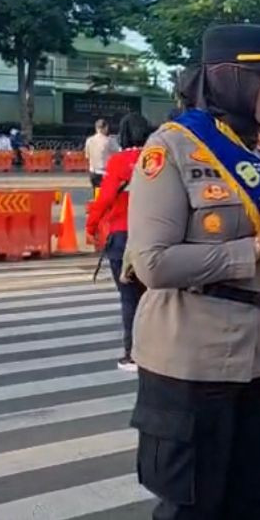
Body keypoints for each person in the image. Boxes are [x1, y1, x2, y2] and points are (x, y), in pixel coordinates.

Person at [126, 24, 260, 520]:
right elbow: (152, 262)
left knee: (253, 506)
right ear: (225, 78)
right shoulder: (170, 149)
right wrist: (254, 249)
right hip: (190, 363)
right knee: (191, 510)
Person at [85, 112, 152, 372]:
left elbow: (105, 198)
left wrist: (91, 226)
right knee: (155, 295)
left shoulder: (119, 162)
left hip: (122, 236)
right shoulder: (159, 160)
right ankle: (158, 351)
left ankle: (132, 353)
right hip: (154, 235)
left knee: (129, 297)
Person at [85, 118, 118, 189]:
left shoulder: (89, 140)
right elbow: (119, 153)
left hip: (93, 173)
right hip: (105, 173)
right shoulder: (109, 140)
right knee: (107, 197)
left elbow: (87, 156)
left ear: (96, 128)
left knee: (96, 196)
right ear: (106, 128)